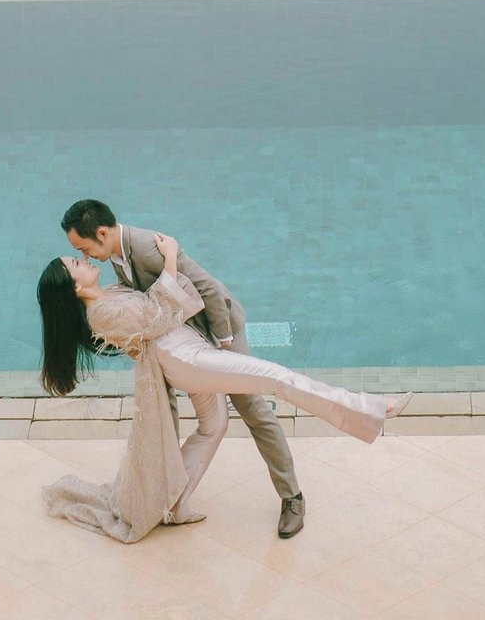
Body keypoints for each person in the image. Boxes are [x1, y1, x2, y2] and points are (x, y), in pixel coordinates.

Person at [37, 229, 411, 543]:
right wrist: (170, 257)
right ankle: (371, 409)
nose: (84, 260)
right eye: (76, 263)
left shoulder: (109, 295)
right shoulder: (100, 313)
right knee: (276, 377)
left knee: (214, 426)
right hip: (186, 360)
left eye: (80, 254)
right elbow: (155, 315)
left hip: (187, 351)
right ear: (72, 287)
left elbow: (151, 304)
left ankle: (174, 505)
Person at [60, 197, 309, 539]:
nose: (85, 256)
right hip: (187, 336)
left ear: (101, 233)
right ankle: (172, 494)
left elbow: (207, 287)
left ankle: (292, 497)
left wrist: (223, 339)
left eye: (84, 247)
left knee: (252, 408)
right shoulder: (118, 256)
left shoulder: (147, 247)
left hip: (219, 329)